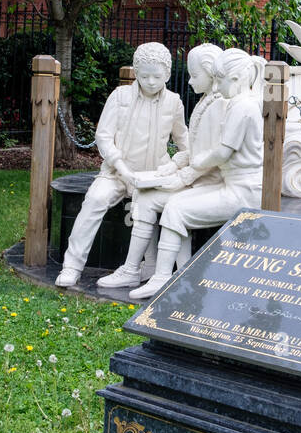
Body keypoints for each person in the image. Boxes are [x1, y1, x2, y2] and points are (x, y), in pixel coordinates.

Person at [129, 47, 265, 301]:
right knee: (176, 204)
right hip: (233, 186)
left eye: (219, 79)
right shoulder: (235, 104)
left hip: (243, 192)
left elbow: (222, 152)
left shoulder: (241, 107)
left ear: (235, 80)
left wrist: (197, 161)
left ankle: (164, 278)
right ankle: (170, 275)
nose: (216, 84)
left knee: (177, 208)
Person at [54, 43, 188, 288]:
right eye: (144, 75)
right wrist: (122, 169)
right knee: (94, 200)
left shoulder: (174, 102)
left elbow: (184, 142)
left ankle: (149, 268)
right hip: (116, 173)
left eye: (157, 76)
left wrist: (174, 165)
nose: (150, 81)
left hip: (153, 176)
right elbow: (103, 137)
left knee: (153, 205)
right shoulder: (120, 96)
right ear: (136, 72)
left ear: (167, 74)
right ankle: (72, 266)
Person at [96, 42, 225, 290]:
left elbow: (214, 157)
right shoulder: (206, 103)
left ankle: (161, 274)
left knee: (158, 201)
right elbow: (194, 149)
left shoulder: (218, 106)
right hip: (196, 177)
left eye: (194, 75)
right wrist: (174, 165)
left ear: (211, 73)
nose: (188, 81)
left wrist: (181, 176)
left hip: (209, 183)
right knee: (145, 198)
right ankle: (135, 269)